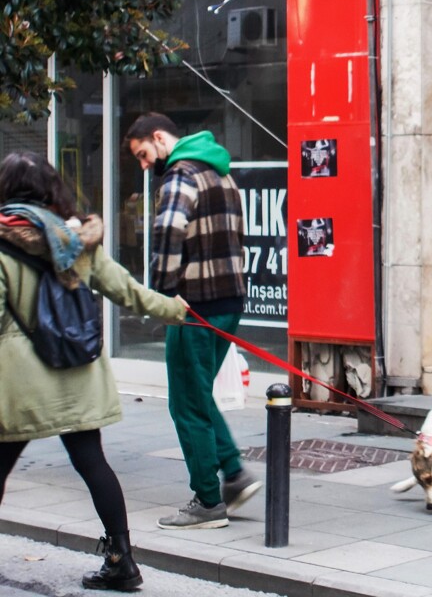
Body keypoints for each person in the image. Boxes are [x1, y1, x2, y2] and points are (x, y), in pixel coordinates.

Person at [0, 152, 189, 591]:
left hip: (18, 381)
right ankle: (122, 561)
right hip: (77, 372)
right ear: (51, 188)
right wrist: (175, 310)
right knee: (92, 462)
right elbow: (126, 290)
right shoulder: (77, 239)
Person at [122, 113, 261, 530]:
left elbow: (167, 237)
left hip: (192, 305)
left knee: (186, 401)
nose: (145, 165)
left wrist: (161, 298)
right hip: (229, 299)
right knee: (198, 394)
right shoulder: (222, 174)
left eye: (143, 154)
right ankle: (234, 475)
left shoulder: (180, 175)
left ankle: (207, 500)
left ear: (160, 138)